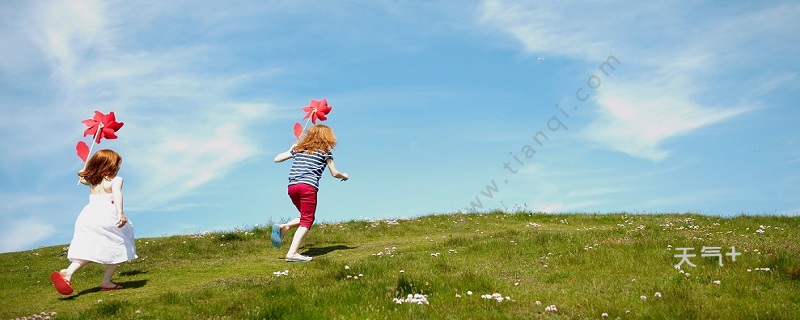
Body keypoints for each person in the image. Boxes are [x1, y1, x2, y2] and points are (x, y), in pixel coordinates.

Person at [50, 149, 137, 295]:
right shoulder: (116, 180)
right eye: (117, 165)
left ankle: (68, 272)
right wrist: (120, 213)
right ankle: (106, 281)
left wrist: (84, 169)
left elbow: (81, 176)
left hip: (89, 216)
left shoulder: (93, 181)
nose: (118, 168)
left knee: (90, 248)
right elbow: (117, 195)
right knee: (119, 245)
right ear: (110, 165)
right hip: (108, 215)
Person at [272, 124, 348, 262]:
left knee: (306, 216)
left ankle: (285, 227)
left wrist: (291, 149)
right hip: (308, 187)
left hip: (292, 187)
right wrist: (344, 176)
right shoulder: (325, 152)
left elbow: (277, 159)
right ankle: (292, 253)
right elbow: (334, 173)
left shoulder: (300, 149)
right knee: (307, 220)